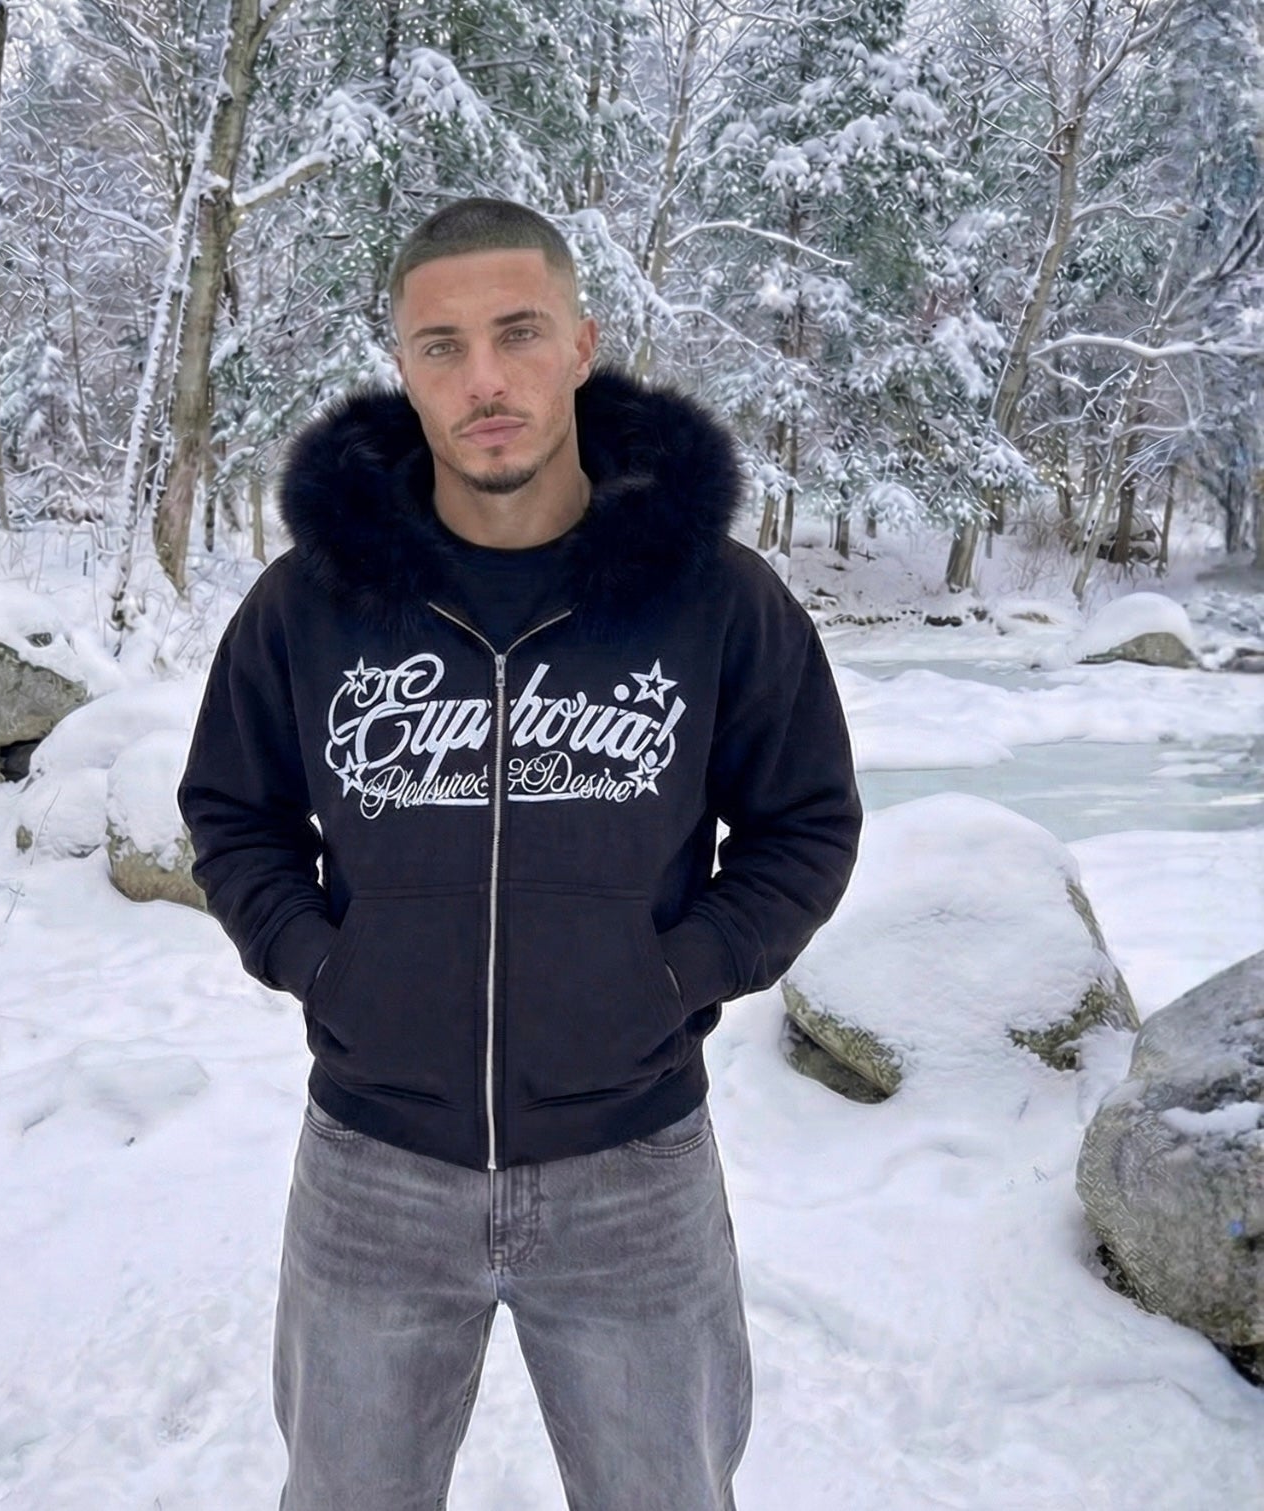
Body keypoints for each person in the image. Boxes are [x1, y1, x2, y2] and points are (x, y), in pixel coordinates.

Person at [177, 196, 861, 1509]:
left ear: (583, 343)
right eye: (441, 346)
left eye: (519, 333)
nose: (483, 379)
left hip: (634, 1174)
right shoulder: (311, 602)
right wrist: (323, 966)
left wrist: (680, 974)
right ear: (403, 366)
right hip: (373, 1173)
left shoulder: (715, 598)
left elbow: (805, 822)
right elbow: (234, 810)